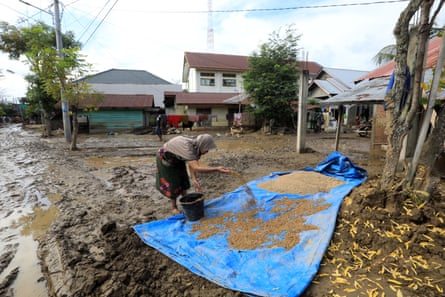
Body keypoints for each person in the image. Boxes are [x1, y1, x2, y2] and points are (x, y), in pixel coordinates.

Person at [155, 134, 231, 214]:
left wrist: (194, 179)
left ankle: (185, 199)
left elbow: (192, 163)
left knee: (183, 178)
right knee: (172, 183)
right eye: (206, 149)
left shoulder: (195, 145)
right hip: (166, 160)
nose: (207, 151)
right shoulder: (188, 148)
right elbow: (196, 168)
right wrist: (217, 169)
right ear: (203, 144)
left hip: (177, 159)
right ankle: (174, 207)